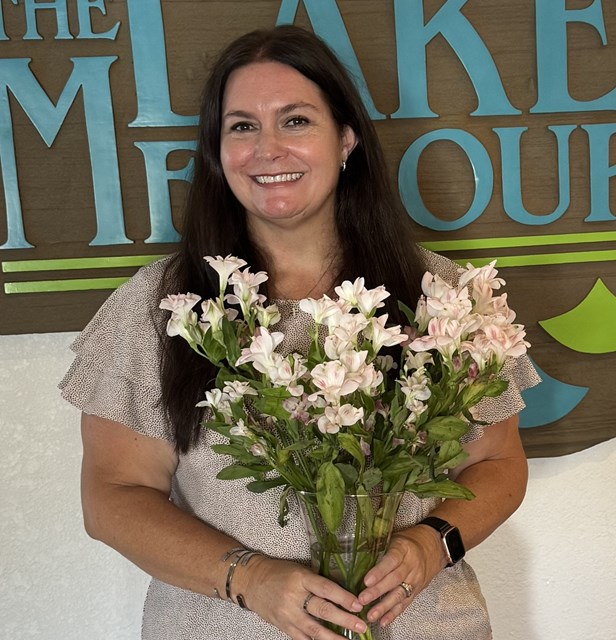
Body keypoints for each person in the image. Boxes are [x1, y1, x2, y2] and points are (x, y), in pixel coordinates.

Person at [60, 25, 539, 640]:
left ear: (346, 139)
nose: (268, 149)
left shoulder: (442, 295)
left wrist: (432, 542)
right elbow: (114, 496)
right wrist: (249, 577)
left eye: (295, 121)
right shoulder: (162, 308)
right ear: (217, 151)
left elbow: (498, 462)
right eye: (242, 126)